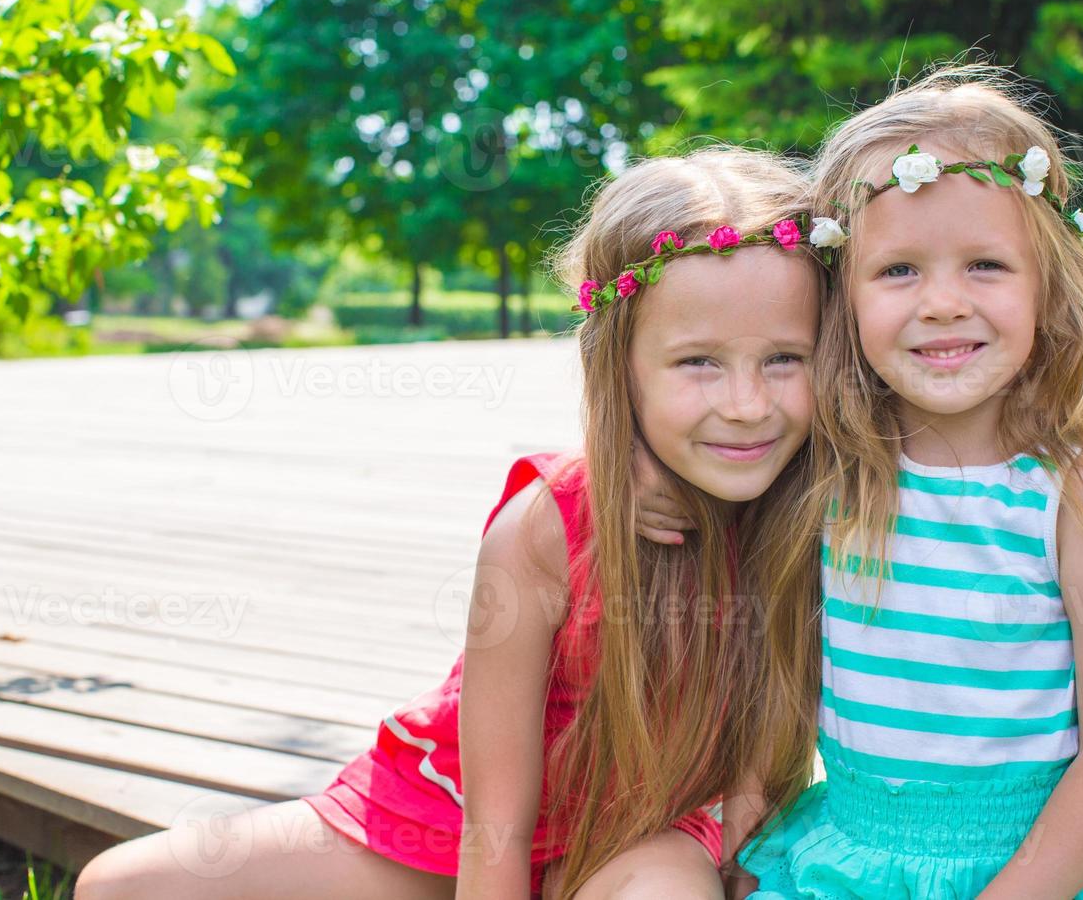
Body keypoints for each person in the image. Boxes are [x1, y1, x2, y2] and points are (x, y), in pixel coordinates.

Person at [73, 146, 828, 900]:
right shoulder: (544, 529)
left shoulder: (826, 517)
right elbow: (491, 824)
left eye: (784, 359)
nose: (747, 404)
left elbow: (755, 805)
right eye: (699, 362)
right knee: (117, 887)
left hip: (639, 832)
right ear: (618, 364)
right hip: (446, 813)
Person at [641, 65, 1083, 898]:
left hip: (1035, 869)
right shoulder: (834, 467)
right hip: (850, 858)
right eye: (898, 270)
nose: (942, 303)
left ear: (1047, 283)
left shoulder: (1077, 493)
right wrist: (648, 474)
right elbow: (713, 453)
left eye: (985, 266)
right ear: (845, 295)